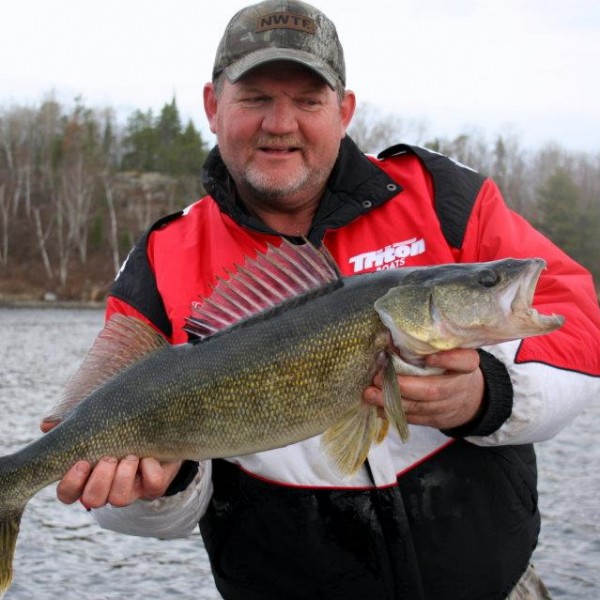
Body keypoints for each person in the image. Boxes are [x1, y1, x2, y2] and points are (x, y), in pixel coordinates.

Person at [46, 1, 600, 598]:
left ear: (344, 110)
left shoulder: (441, 195)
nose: (280, 123)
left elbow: (580, 330)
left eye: (308, 101)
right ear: (213, 106)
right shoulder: (161, 261)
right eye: (255, 97)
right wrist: (159, 488)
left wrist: (486, 396)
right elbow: (121, 501)